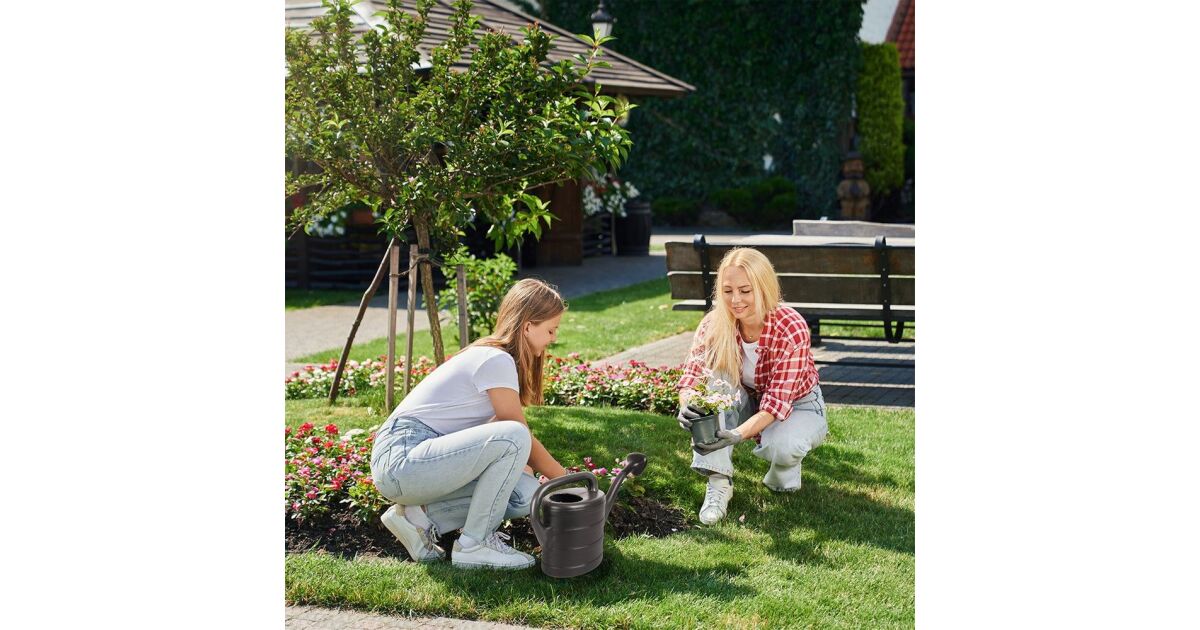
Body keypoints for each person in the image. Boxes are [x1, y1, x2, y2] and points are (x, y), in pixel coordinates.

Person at [370, 278, 569, 569]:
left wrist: (529, 470)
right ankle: (476, 544)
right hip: (402, 457)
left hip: (416, 464)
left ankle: (416, 519)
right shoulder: (496, 360)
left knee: (525, 493)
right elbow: (517, 434)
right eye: (551, 330)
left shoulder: (499, 361)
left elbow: (501, 445)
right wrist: (566, 479)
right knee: (515, 436)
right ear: (528, 326)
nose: (553, 338)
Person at [676, 247, 828, 525]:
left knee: (785, 447)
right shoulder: (714, 324)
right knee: (716, 384)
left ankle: (783, 469)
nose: (735, 300)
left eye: (745, 291)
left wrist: (736, 435)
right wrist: (687, 405)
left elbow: (775, 403)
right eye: (728, 291)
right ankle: (719, 483)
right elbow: (692, 378)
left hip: (798, 405)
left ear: (764, 287)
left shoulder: (790, 326)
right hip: (744, 397)